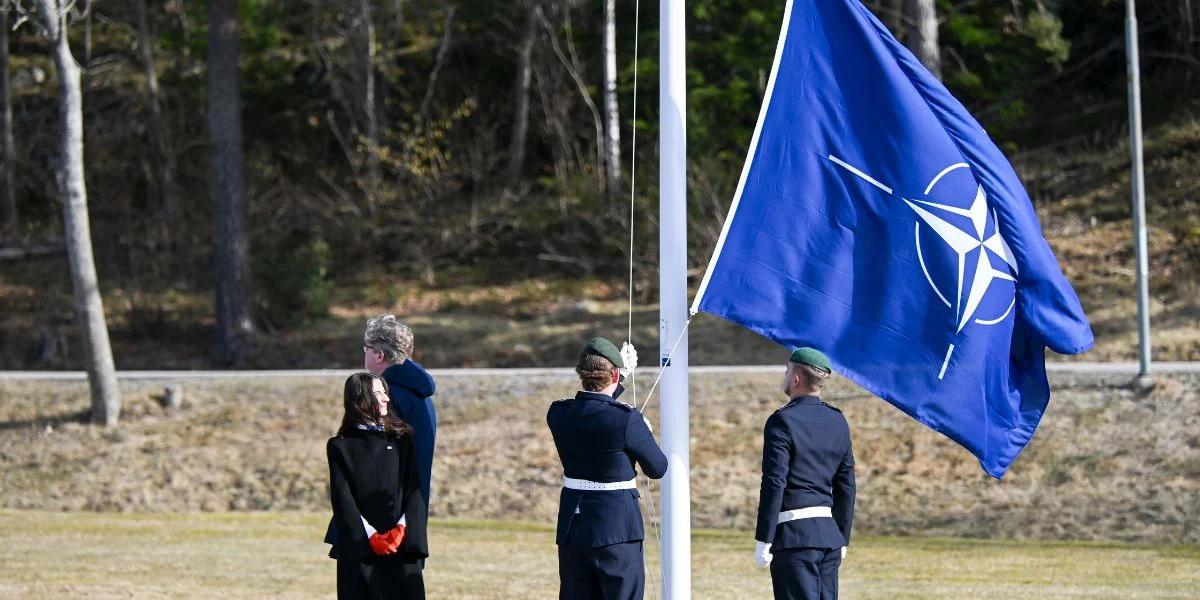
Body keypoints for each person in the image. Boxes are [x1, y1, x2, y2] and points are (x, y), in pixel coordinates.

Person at [547, 337, 667, 600]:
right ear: (613, 374)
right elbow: (657, 468)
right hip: (616, 529)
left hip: (573, 528)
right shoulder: (627, 420)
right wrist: (643, 430)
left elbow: (594, 409)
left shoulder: (558, 413)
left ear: (581, 373)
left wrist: (617, 381)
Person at [327, 316, 437, 553]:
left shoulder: (390, 395)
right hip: (406, 512)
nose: (364, 354)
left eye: (366, 348)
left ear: (378, 355)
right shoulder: (417, 392)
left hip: (387, 523)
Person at [753, 347, 855, 600]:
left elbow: (774, 482)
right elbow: (846, 484)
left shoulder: (782, 421)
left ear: (796, 379)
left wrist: (764, 538)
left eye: (787, 371)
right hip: (828, 538)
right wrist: (842, 536)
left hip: (795, 540)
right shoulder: (838, 420)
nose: (785, 376)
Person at [327, 372, 428, 599]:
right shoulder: (340, 446)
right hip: (361, 548)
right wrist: (371, 536)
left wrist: (401, 529)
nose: (386, 399)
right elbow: (343, 498)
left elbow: (414, 489)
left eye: (385, 392)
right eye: (378, 393)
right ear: (360, 400)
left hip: (401, 545)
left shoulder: (402, 439)